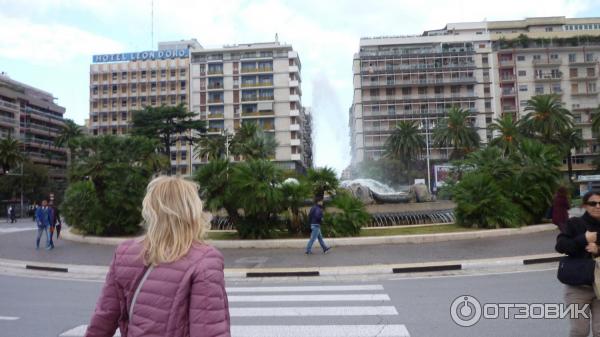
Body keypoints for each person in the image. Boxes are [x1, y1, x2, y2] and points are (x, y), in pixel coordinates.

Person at [85, 176, 230, 337]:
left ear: (151, 211)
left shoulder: (124, 253)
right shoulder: (205, 260)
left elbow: (104, 317)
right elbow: (208, 330)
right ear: (193, 211)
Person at [556, 190, 600, 336]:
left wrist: (598, 250)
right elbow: (561, 246)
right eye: (593, 203)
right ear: (585, 206)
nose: (598, 206)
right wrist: (584, 239)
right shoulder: (575, 224)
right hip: (577, 288)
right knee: (579, 331)